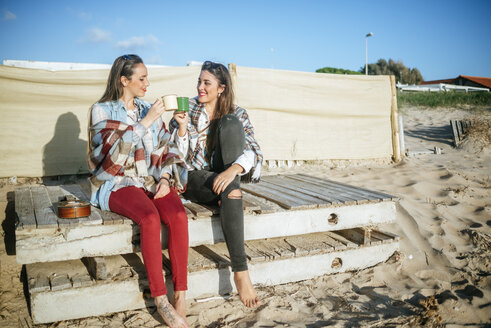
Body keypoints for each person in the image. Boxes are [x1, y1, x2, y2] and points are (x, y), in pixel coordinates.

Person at [87, 54, 190, 328]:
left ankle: (180, 294)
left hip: (150, 179)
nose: (147, 83)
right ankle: (160, 300)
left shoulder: (148, 107)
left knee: (179, 216)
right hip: (116, 182)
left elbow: (164, 147)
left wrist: (166, 178)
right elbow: (111, 156)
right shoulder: (102, 110)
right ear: (124, 80)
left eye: (147, 77)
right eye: (141, 78)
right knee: (150, 218)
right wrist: (146, 122)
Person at [170, 60, 263, 308]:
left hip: (226, 175)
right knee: (233, 192)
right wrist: (180, 129)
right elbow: (175, 157)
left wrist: (232, 170)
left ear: (221, 88)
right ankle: (242, 271)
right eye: (199, 81)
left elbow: (254, 150)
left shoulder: (238, 112)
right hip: (193, 177)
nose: (200, 87)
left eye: (206, 83)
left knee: (231, 124)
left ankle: (239, 273)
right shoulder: (187, 109)